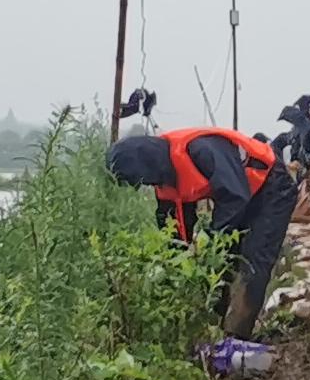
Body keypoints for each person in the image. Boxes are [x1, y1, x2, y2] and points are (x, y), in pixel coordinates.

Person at [109, 123, 296, 339]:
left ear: (145, 164)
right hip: (242, 194)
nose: (145, 185)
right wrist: (177, 268)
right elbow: (175, 232)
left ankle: (235, 337)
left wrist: (210, 238)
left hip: (272, 186)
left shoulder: (200, 150)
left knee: (253, 259)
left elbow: (235, 196)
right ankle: (213, 324)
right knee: (225, 259)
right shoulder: (165, 178)